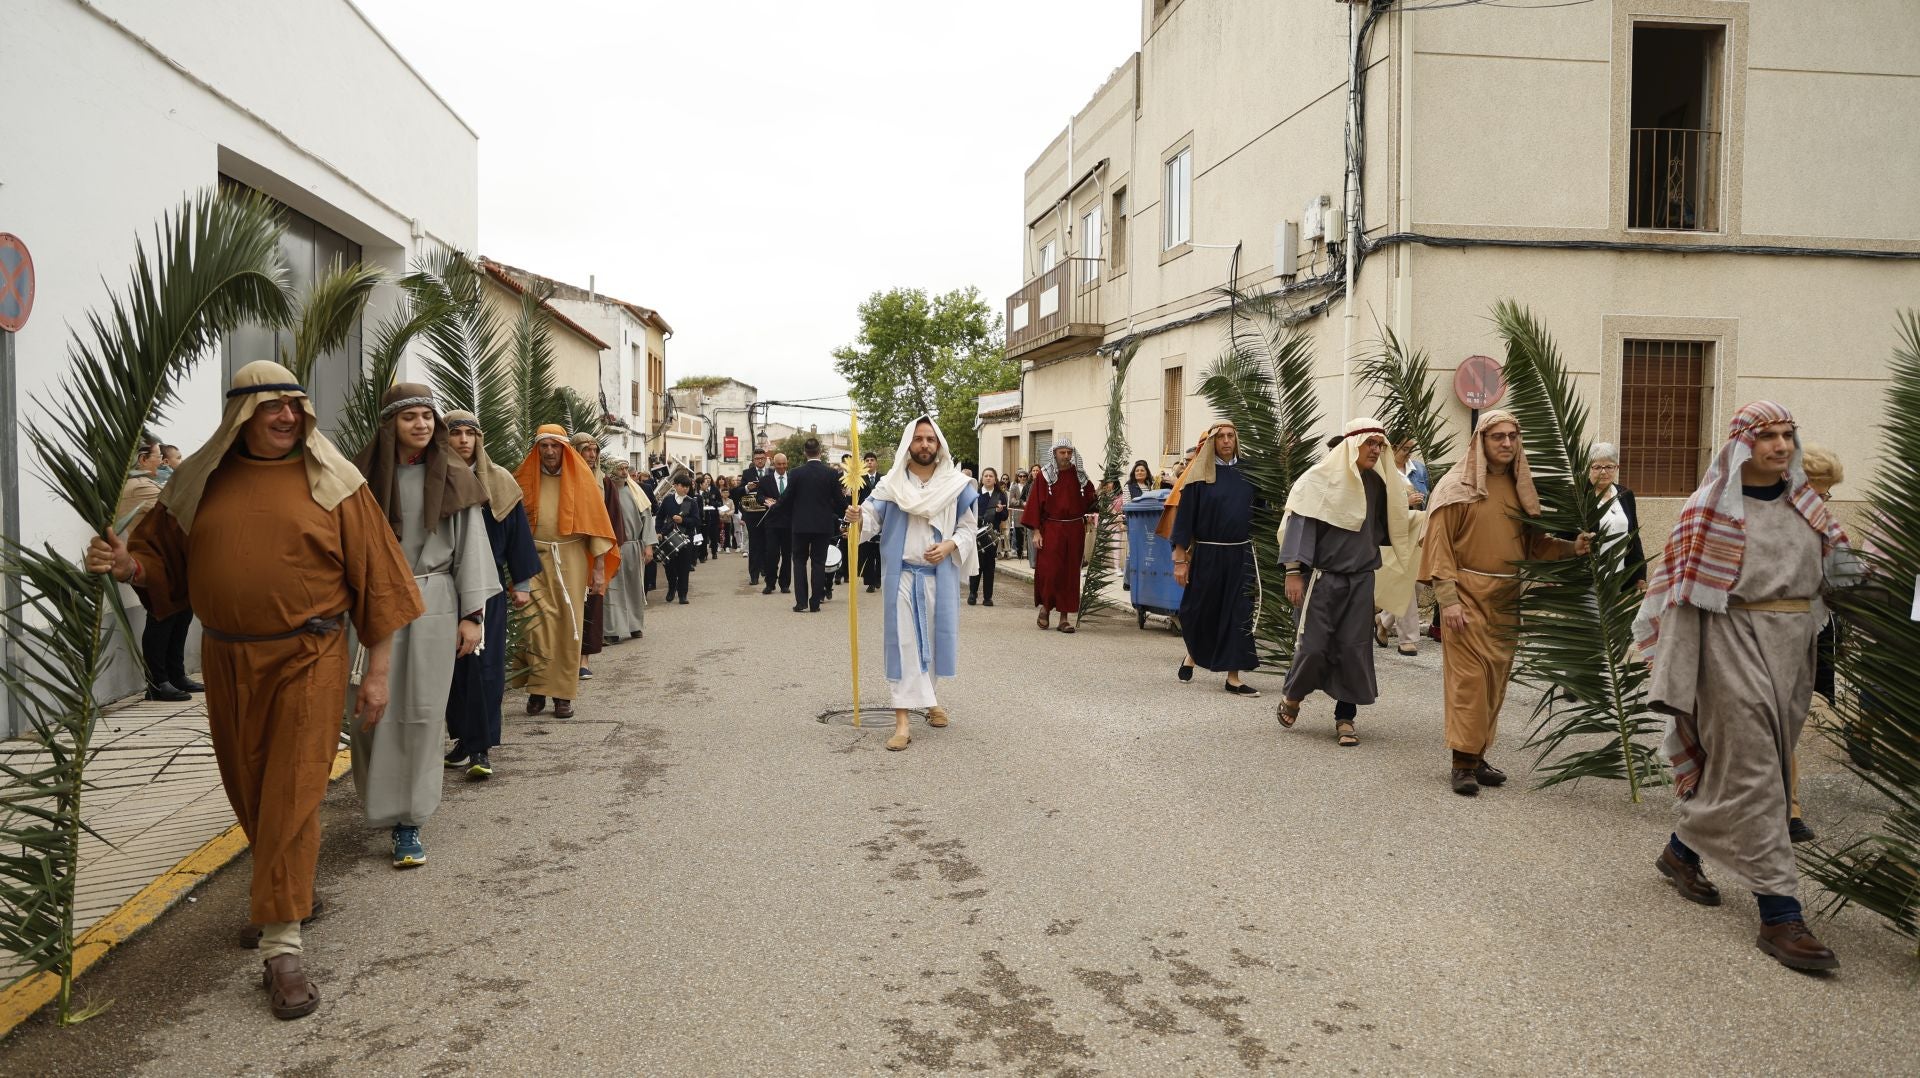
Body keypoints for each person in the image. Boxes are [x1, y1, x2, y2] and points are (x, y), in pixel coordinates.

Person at [85, 360, 421, 1020]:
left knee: (292, 787)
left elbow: (381, 583)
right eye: (272, 407)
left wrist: (375, 673)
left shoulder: (337, 484)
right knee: (249, 785)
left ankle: (281, 945)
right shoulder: (197, 483)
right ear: (241, 414)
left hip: (311, 655)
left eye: (296, 406)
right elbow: (159, 566)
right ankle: (291, 893)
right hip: (227, 659)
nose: (288, 417)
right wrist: (125, 564)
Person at [1636, 402, 1853, 972]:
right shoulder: (1706, 512)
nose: (1780, 446)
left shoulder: (1808, 508)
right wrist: (1678, 680)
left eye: (1787, 435)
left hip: (1794, 649)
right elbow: (1680, 602)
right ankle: (1781, 914)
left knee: (1754, 769)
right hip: (1728, 645)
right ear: (1741, 446)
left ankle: (1681, 851)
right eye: (1767, 437)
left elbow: (1846, 576)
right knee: (1760, 773)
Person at [348, 385, 497, 867]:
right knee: (370, 713)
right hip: (371, 605)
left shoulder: (454, 477)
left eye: (426, 416)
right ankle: (380, 806)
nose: (421, 425)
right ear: (390, 423)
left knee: (423, 711)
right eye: (409, 417)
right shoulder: (357, 478)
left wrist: (473, 617)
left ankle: (410, 821)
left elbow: (472, 547)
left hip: (433, 601)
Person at [1419, 410, 1589, 795]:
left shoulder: (1518, 488)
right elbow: (1438, 547)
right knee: (1469, 682)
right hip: (1464, 598)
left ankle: (1477, 756)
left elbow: (1535, 546)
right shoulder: (1454, 488)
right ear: (1482, 440)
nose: (1507, 443)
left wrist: (1571, 548)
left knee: (1494, 682)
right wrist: (1448, 601)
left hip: (1506, 599)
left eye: (1513, 436)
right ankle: (1461, 762)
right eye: (1498, 436)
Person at [1274, 419, 1420, 742]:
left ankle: (1345, 717)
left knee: (1354, 649)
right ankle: (1293, 695)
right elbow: (1300, 527)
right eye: (1370, 443)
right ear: (1352, 444)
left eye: (1380, 445)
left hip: (1361, 581)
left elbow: (1388, 526)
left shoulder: (1378, 485)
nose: (1376, 450)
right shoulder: (1316, 481)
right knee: (1312, 646)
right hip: (1322, 580)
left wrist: (1422, 521)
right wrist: (1294, 571)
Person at [845, 415, 977, 751]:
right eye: (918, 439)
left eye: (930, 439)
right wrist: (859, 517)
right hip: (902, 578)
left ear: (939, 445)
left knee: (930, 645)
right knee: (905, 646)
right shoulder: (891, 485)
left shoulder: (956, 486)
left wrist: (949, 546)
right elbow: (871, 518)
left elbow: (967, 529)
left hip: (938, 579)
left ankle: (931, 702)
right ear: (909, 443)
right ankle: (902, 721)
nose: (924, 445)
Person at [441, 410, 540, 781]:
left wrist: (523, 584)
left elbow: (517, 534)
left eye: (470, 433)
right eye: (455, 433)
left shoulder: (499, 481)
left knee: (484, 669)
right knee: (451, 669)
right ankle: (464, 740)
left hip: (488, 590)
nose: (464, 440)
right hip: (442, 590)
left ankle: (482, 746)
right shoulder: (433, 479)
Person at [515, 425, 620, 720]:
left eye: (555, 446)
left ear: (564, 449)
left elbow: (597, 527)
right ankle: (537, 690)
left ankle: (562, 695)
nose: (549, 451)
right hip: (532, 560)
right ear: (537, 449)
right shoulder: (522, 479)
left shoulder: (582, 481)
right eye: (544, 446)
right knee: (534, 627)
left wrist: (599, 570)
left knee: (567, 628)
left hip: (571, 561)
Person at [1172, 422, 1268, 698]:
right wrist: (1180, 559)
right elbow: (1185, 518)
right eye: (1221, 437)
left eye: (1231, 436)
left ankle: (1233, 677)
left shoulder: (1249, 472)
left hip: (1241, 554)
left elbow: (1261, 512)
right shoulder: (1199, 475)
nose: (1226, 441)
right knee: (1201, 610)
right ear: (1213, 442)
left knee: (1238, 613)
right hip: (1208, 554)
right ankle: (1192, 653)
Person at [116, 434, 202, 701]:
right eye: (157, 457)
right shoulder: (140, 486)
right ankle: (158, 682)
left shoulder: (151, 483)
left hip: (170, 561)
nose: (162, 462)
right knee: (162, 618)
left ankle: (176, 676)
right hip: (154, 562)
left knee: (181, 615)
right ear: (142, 459)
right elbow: (179, 508)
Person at [1021, 438, 1097, 632]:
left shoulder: (1079, 476)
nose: (1066, 456)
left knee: (1070, 573)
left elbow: (1092, 499)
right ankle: (1046, 608)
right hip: (1051, 528)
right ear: (1054, 453)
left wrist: (1103, 495)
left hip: (1074, 530)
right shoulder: (1044, 476)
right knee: (1050, 571)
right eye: (1062, 452)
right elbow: (1035, 504)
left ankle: (1064, 618)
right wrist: (1036, 531)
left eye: (1069, 453)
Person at [1374, 433, 1431, 657]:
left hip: (1417, 528)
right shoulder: (1381, 470)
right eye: (1405, 448)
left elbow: (1427, 494)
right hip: (1393, 531)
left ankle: (1384, 618)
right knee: (1405, 580)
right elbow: (1378, 504)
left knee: (1417, 581)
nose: (1408, 453)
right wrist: (1404, 503)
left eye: (1411, 448)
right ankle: (1408, 638)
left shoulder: (1417, 469)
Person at [568, 432, 617, 682]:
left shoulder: (604, 482)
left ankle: (584, 659)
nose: (592, 455)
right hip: (568, 549)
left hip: (594, 552)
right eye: (586, 450)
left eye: (595, 450)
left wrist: (605, 554)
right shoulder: (564, 479)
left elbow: (611, 519)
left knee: (591, 604)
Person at [782, 437, 848, 614]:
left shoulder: (795, 473)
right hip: (823, 525)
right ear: (820, 452)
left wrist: (778, 507)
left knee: (799, 562)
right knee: (819, 563)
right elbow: (839, 500)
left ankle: (801, 602)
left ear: (805, 452)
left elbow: (787, 498)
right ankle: (815, 603)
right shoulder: (831, 473)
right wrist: (849, 511)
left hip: (800, 525)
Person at [604, 458, 656, 643]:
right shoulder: (605, 491)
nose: (624, 472)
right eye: (620, 468)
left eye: (626, 468)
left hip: (634, 546)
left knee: (634, 587)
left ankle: (635, 626)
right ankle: (613, 630)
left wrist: (648, 545)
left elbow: (647, 518)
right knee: (612, 589)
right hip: (611, 548)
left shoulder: (636, 492)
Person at [656, 473, 699, 603]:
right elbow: (660, 517)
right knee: (669, 566)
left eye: (687, 486)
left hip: (685, 538)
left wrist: (683, 520)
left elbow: (696, 521)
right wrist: (658, 531)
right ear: (675, 486)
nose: (685, 489)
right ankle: (671, 588)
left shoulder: (691, 502)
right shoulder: (668, 500)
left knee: (684, 567)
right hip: (668, 537)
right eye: (683, 486)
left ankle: (682, 594)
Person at [970, 467, 1008, 606]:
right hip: (976, 533)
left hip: (992, 535)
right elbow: (968, 512)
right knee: (975, 565)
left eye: (991, 476)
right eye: (985, 475)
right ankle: (972, 594)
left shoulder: (1001, 495)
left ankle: (987, 597)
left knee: (989, 567)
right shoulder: (975, 493)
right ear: (982, 478)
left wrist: (999, 511)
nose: (988, 478)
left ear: (995, 478)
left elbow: (1005, 516)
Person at [759, 452, 794, 595]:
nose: (781, 467)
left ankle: (785, 584)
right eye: (778, 464)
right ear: (774, 464)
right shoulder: (765, 480)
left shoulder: (793, 478)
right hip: (772, 523)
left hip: (789, 523)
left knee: (787, 555)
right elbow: (759, 496)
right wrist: (766, 501)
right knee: (772, 554)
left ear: (787, 464)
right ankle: (770, 583)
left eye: (784, 464)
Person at [739, 449, 773, 585]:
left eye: (762, 458)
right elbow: (739, 491)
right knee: (754, 545)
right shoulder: (747, 473)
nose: (759, 460)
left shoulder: (771, 472)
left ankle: (766, 570)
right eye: (757, 458)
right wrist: (747, 487)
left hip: (768, 514)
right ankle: (754, 575)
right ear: (753, 460)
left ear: (766, 459)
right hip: (752, 515)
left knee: (768, 544)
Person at [857, 451, 881, 592]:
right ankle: (870, 581)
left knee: (879, 551)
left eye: (872, 460)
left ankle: (878, 577)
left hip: (880, 517)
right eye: (867, 460)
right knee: (868, 550)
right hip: (865, 518)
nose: (870, 462)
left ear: (876, 462)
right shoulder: (859, 479)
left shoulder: (883, 479)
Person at [1006, 469, 1028, 559]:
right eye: (1020, 476)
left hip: (1028, 512)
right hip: (1018, 513)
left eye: (1024, 476)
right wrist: (1021, 503)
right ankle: (1019, 553)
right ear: (1018, 477)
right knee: (1019, 534)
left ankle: (1029, 554)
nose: (1022, 478)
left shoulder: (1029, 486)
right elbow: (1011, 501)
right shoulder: (1014, 487)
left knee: (1028, 533)